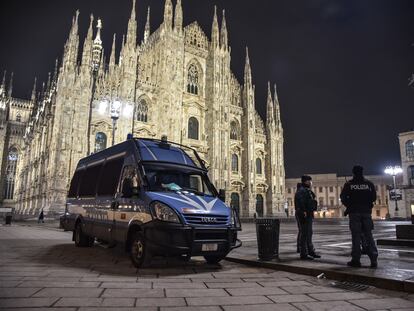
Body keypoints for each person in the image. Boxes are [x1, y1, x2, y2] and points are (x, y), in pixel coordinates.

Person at [340, 165, 378, 268]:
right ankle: (373, 259)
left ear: (353, 173)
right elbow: (374, 197)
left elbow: (343, 198)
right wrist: (367, 203)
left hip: (354, 213)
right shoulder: (369, 184)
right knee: (369, 235)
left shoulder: (349, 184)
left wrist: (350, 205)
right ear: (362, 172)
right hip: (366, 212)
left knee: (356, 236)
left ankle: (356, 260)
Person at [295, 175, 320, 260]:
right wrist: (303, 211)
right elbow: (300, 202)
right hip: (304, 215)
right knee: (305, 234)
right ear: (306, 181)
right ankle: (304, 254)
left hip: (308, 214)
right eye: (310, 181)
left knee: (309, 233)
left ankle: (310, 251)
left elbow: (313, 197)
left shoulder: (306, 190)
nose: (311, 183)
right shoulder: (301, 190)